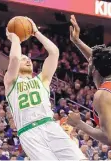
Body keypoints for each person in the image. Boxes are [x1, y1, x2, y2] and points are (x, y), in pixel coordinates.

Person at [4, 17, 86, 160]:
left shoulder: (42, 79)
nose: (27, 60)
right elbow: (15, 59)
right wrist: (15, 38)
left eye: (28, 58)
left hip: (49, 125)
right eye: (24, 58)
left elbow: (54, 52)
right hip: (29, 132)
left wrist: (36, 32)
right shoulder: (11, 82)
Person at [67, 15, 111, 145]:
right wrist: (77, 41)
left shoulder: (103, 95)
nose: (89, 61)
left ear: (93, 70)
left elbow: (109, 138)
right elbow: (98, 59)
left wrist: (79, 124)